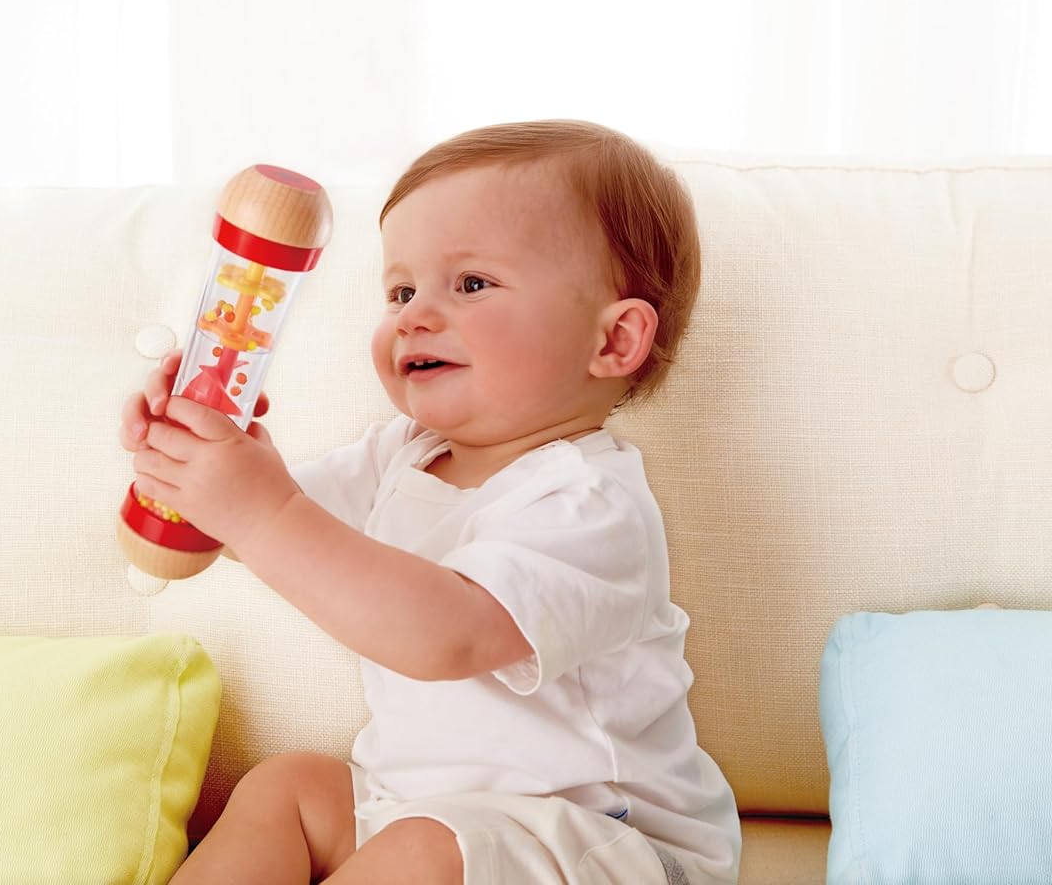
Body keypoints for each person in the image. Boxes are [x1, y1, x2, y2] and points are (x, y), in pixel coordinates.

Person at [119, 120, 740, 884]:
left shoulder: (591, 502)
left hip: (597, 842)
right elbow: (278, 539)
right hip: (421, 808)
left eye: (470, 284)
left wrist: (258, 507)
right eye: (401, 289)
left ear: (613, 343)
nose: (413, 314)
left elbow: (442, 636)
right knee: (289, 789)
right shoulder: (401, 453)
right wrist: (208, 459)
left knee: (428, 848)